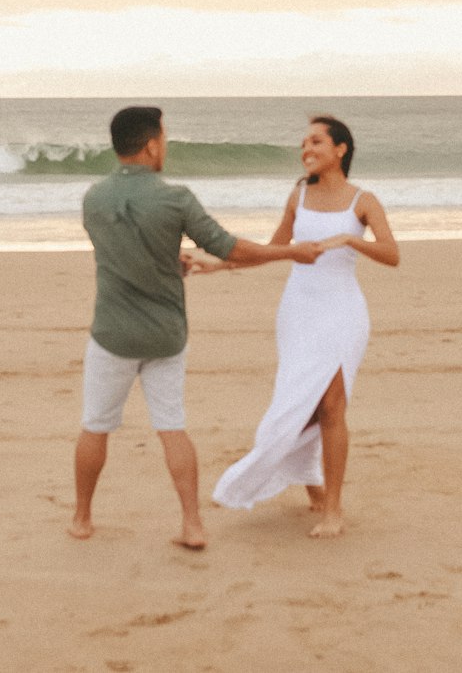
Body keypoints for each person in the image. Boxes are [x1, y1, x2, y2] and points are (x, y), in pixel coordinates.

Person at [69, 105, 321, 550]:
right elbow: (230, 248)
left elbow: (120, 255)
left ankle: (82, 519)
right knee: (172, 426)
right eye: (163, 138)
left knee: (96, 426)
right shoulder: (176, 198)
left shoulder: (93, 198)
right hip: (166, 335)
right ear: (151, 144)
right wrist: (289, 252)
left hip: (113, 333)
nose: (164, 145)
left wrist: (166, 260)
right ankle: (192, 524)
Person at [195, 114, 399, 537]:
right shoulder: (298, 196)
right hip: (298, 310)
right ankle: (313, 490)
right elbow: (270, 250)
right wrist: (216, 265)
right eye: (304, 143)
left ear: (341, 149)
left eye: (316, 142)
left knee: (331, 406)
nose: (307, 149)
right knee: (300, 403)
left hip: (342, 311)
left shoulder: (363, 200)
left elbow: (391, 253)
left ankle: (333, 510)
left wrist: (349, 239)